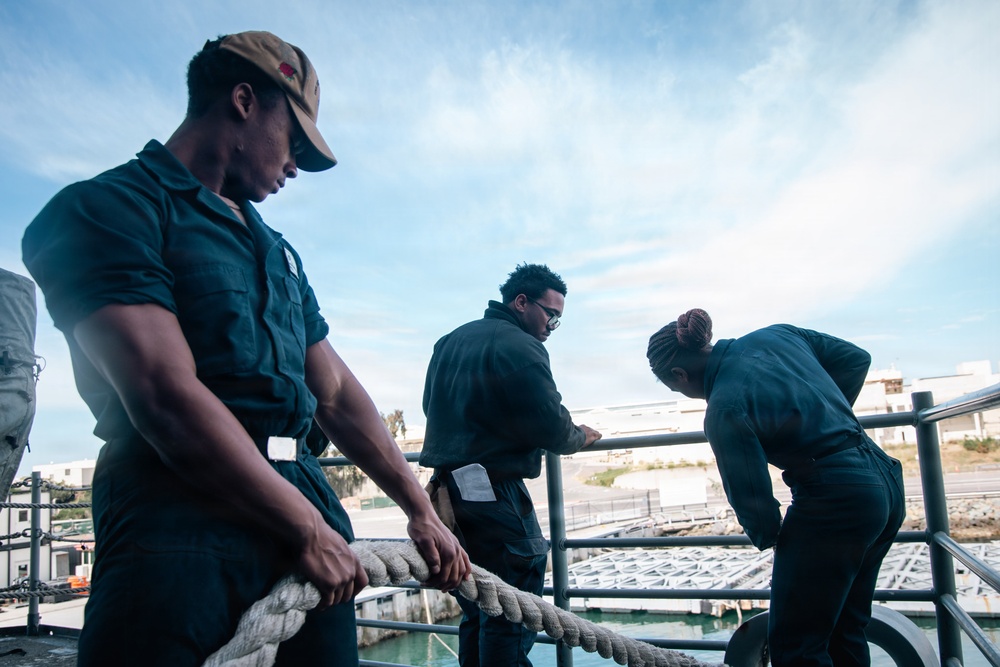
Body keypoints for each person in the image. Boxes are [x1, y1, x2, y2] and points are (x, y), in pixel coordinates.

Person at [21, 31, 469, 667]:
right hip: (177, 518)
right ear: (243, 101)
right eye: (295, 144)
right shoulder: (108, 210)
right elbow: (162, 393)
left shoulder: (277, 251)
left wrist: (419, 509)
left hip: (304, 501)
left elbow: (335, 394)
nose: (296, 167)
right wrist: (305, 527)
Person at [646, 309, 905, 667]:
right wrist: (826, 415)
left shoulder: (724, 406)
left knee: (795, 645)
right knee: (846, 627)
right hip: (886, 481)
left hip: (836, 501)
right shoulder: (777, 334)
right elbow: (855, 359)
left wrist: (772, 539)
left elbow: (751, 496)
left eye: (677, 388)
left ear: (680, 375)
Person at [419, 262, 603, 667]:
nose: (552, 326)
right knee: (511, 612)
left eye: (559, 319)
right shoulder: (522, 347)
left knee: (476, 607)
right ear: (521, 302)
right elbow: (552, 426)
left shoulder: (449, 341)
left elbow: (430, 406)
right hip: (495, 495)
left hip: (449, 495)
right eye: (550, 314)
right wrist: (581, 435)